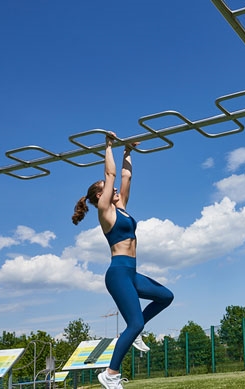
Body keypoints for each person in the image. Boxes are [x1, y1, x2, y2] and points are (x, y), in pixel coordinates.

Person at [72, 132, 174, 389]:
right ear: (99, 197)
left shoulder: (122, 207)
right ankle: (111, 374)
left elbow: (125, 176)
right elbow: (111, 176)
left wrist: (128, 152)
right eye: (108, 191)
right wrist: (108, 146)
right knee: (135, 321)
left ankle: (134, 333)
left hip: (131, 273)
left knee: (165, 296)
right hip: (118, 273)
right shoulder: (106, 212)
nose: (115, 190)